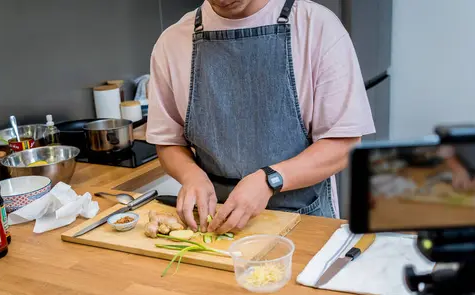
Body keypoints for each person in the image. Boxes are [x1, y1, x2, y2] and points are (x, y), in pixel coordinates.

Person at [147, 0, 375, 233]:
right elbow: (168, 141)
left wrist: (270, 180)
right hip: (215, 223)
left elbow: (344, 144)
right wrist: (190, 175)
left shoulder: (316, 27)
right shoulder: (172, 42)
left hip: (304, 222)